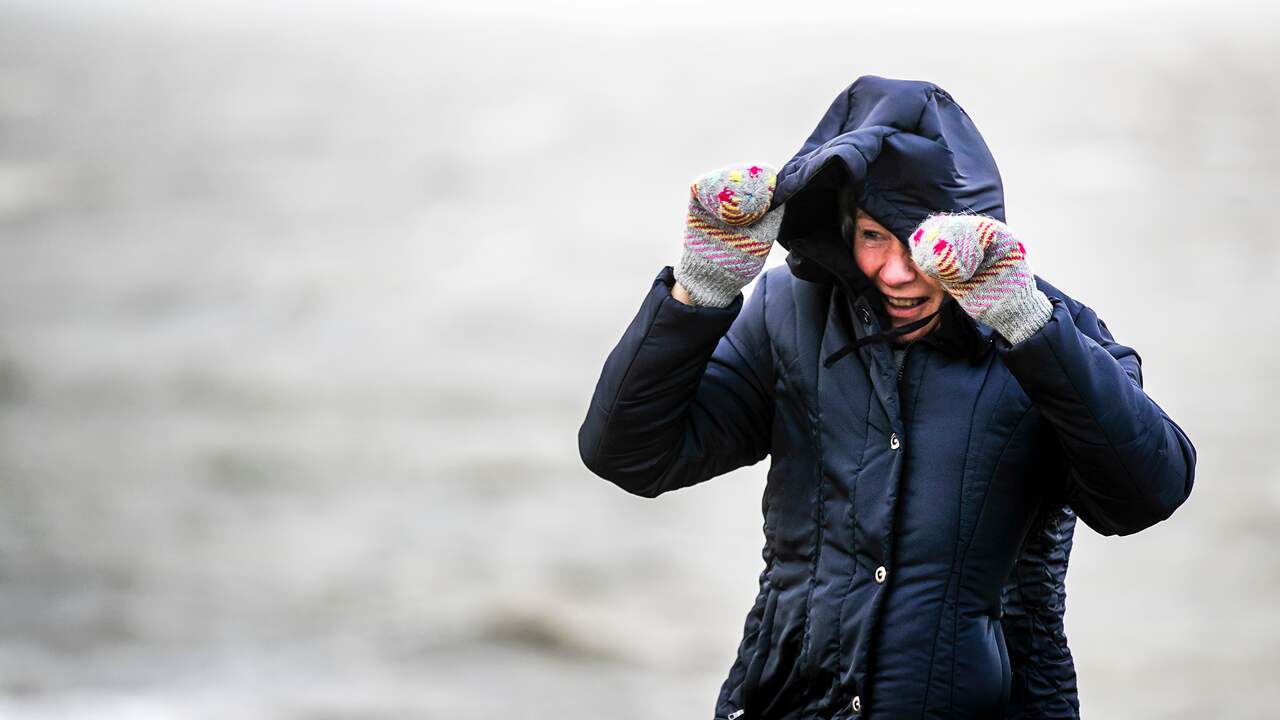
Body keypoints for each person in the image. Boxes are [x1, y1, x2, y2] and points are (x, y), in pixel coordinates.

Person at [578, 75, 1195, 719]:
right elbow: (629, 455)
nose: (897, 273)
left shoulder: (1049, 329)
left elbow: (1147, 493)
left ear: (969, 230)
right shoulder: (787, 312)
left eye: (919, 243)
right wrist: (698, 294)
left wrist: (1028, 328)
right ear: (843, 228)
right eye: (874, 237)